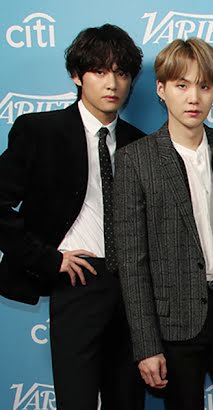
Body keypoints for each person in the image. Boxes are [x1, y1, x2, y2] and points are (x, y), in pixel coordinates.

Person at [0, 24, 145, 409]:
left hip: (132, 290)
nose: (112, 83)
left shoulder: (139, 142)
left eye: (121, 73)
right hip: (77, 281)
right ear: (77, 76)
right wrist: (47, 259)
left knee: (128, 401)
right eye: (99, 71)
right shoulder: (40, 131)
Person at [113, 38, 213, 409]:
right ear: (161, 89)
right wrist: (146, 346)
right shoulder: (135, 160)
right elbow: (132, 262)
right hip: (174, 322)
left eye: (204, 86)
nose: (194, 98)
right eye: (182, 85)